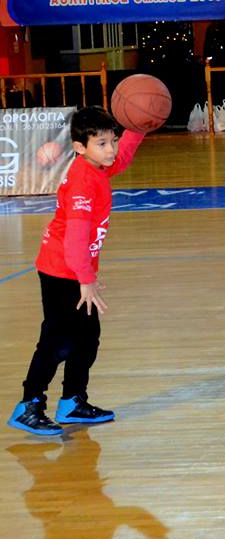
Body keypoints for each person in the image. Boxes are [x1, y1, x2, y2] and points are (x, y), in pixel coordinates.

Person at [7, 108, 148, 436]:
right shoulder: (83, 182)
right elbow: (74, 239)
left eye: (113, 141)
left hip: (75, 271)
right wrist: (86, 280)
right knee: (57, 342)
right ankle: (29, 405)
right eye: (102, 144)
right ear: (80, 147)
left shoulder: (96, 167)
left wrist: (138, 126)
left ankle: (72, 401)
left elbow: (122, 158)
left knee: (86, 339)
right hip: (62, 271)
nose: (111, 150)